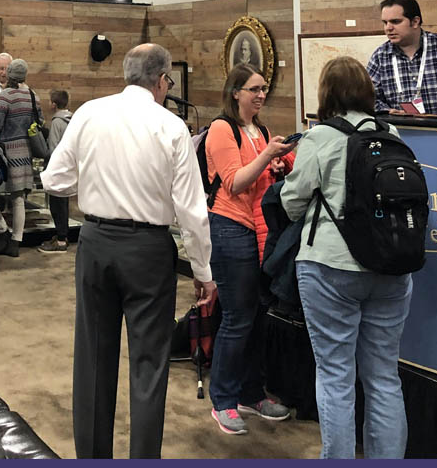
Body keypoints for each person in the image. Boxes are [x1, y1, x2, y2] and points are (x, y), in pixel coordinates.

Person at [41, 43, 216, 459]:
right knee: (149, 365)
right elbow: (192, 211)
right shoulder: (171, 127)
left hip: (96, 242)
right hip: (148, 249)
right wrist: (203, 271)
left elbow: (53, 180)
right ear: (161, 80)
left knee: (93, 360)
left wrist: (97, 184)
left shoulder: (88, 113)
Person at [280, 56, 413, 459]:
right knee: (384, 377)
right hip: (392, 267)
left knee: (336, 376)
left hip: (329, 267)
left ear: (326, 93)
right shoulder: (391, 133)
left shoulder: (320, 137)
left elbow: (292, 202)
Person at [205, 64, 296, 435]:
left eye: (264, 89)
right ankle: (223, 401)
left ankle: (251, 393)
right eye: (254, 89)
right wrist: (265, 158)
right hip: (230, 230)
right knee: (237, 318)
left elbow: (263, 180)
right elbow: (235, 182)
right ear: (235, 92)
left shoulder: (261, 131)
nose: (261, 95)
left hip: (261, 233)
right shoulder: (221, 129)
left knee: (257, 318)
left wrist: (280, 163)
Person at [0, 58, 43, 258]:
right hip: (25, 150)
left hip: (6, 151)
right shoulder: (32, 95)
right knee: (19, 198)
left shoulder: (5, 96)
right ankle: (16, 241)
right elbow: (39, 120)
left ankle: (2, 230)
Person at [38, 89, 73, 254]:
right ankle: (63, 235)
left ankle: (60, 240)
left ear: (53, 104)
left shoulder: (57, 122)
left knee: (56, 205)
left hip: (58, 169)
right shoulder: (72, 120)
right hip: (69, 168)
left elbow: (52, 149)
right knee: (64, 204)